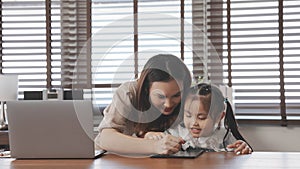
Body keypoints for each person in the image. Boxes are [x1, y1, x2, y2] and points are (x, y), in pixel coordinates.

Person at [94, 54, 191, 155]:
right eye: (161, 97)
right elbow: (106, 138)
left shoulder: (189, 97)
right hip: (112, 159)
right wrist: (155, 146)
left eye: (176, 95)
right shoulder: (128, 93)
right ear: (146, 89)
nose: (168, 104)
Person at [145, 83, 253, 155]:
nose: (194, 123)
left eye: (201, 118)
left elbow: (240, 153)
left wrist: (243, 148)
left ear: (219, 117)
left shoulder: (224, 137)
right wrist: (150, 136)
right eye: (188, 115)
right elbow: (157, 143)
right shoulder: (177, 133)